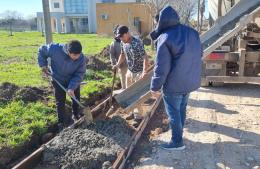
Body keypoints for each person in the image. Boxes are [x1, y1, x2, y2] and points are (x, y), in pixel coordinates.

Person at [150, 6, 202, 150]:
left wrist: (154, 86)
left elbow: (161, 67)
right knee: (182, 110)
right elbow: (199, 55)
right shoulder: (192, 32)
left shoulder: (164, 37)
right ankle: (179, 135)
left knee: (173, 113)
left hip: (173, 85)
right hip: (189, 82)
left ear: (160, 22)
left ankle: (177, 142)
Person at [38, 40, 87, 130]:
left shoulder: (81, 58)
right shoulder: (55, 49)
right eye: (74, 56)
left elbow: (79, 74)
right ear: (68, 52)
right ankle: (61, 122)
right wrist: (43, 65)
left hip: (72, 79)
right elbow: (42, 50)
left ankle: (76, 115)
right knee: (60, 101)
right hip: (58, 79)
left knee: (75, 98)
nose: (77, 57)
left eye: (78, 55)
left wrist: (71, 87)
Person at [112, 25, 149, 123]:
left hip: (139, 72)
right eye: (119, 37)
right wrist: (117, 64)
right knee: (128, 94)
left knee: (136, 95)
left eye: (121, 36)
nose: (120, 38)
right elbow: (122, 55)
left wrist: (145, 71)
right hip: (130, 71)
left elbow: (145, 57)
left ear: (127, 33)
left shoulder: (137, 43)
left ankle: (139, 116)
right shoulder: (122, 42)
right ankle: (132, 113)